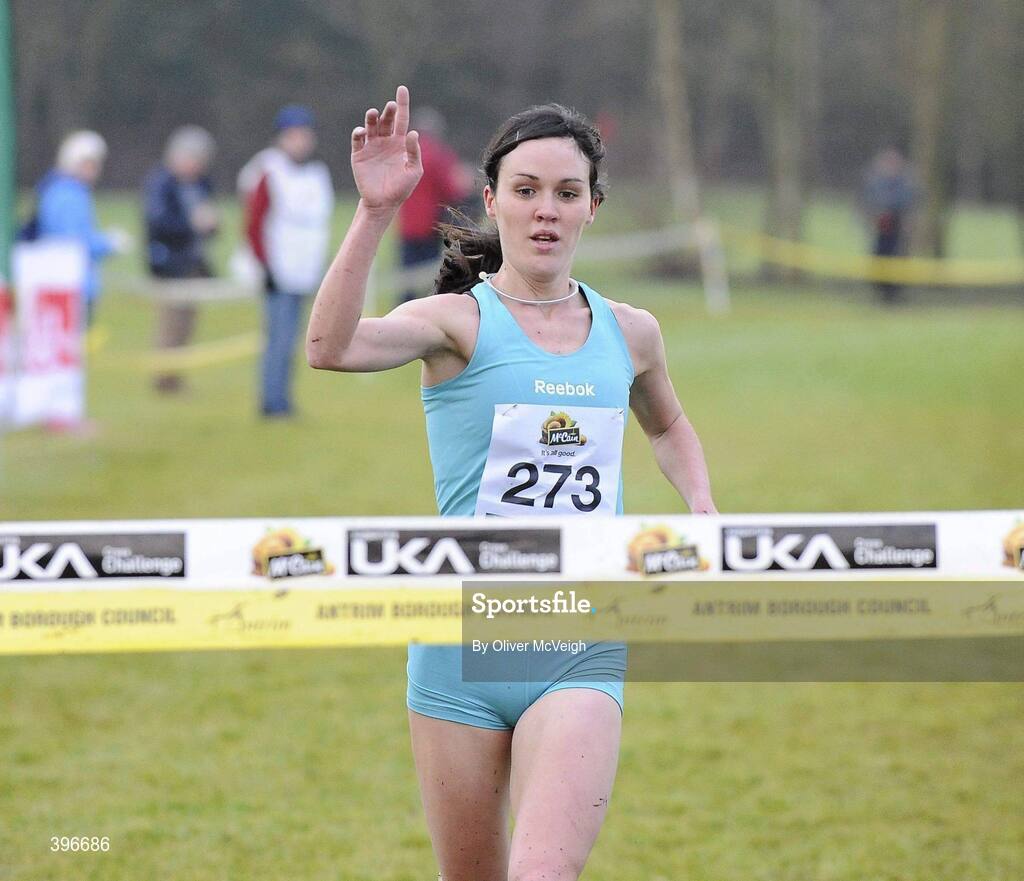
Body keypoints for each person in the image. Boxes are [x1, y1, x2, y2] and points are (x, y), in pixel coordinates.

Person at [306, 86, 716, 881]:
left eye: (567, 192)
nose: (546, 211)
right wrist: (375, 212)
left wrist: (700, 504)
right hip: (459, 645)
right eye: (526, 191)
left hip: (578, 638)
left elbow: (666, 425)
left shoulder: (633, 333)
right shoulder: (457, 322)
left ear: (593, 206)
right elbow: (329, 347)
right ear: (492, 201)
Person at [241, 105, 334, 418]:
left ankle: (283, 398)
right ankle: (272, 401)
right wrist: (263, 265)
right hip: (278, 269)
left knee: (295, 340)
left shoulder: (315, 175)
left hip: (304, 269)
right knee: (277, 339)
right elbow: (255, 223)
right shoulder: (269, 172)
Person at [143, 125, 218, 393]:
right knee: (170, 325)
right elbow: (158, 223)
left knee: (187, 325)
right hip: (169, 266)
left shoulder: (201, 185)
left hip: (194, 264)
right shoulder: (161, 184)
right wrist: (192, 225)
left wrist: (211, 226)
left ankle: (176, 378)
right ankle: (164, 380)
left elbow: (209, 222)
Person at [31, 130, 130, 326]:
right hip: (70, 285)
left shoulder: (61, 191)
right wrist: (108, 243)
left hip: (63, 284)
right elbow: (73, 242)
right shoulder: (68, 195)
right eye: (89, 164)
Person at [395, 105, 472, 304]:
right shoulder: (440, 155)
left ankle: (401, 317)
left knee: (406, 278)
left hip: (407, 226)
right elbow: (452, 190)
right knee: (430, 277)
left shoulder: (403, 154)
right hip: (431, 226)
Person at [862, 147, 916, 304]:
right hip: (881, 229)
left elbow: (908, 204)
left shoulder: (905, 183)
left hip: (897, 229)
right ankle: (880, 291)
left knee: (898, 259)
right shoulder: (875, 183)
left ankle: (895, 293)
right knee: (879, 257)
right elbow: (868, 204)